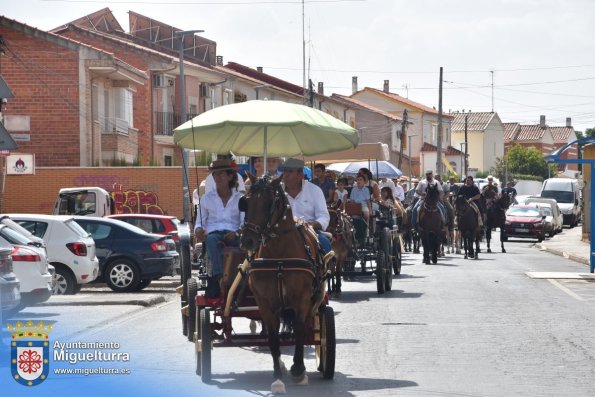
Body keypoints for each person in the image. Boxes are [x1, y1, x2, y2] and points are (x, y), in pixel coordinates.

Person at [194, 159, 245, 298]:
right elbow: (199, 222)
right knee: (212, 241)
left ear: (230, 176)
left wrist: (236, 233)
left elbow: (244, 223)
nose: (217, 177)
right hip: (214, 235)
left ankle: (244, 279)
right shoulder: (206, 199)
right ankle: (217, 279)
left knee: (246, 245)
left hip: (235, 235)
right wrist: (198, 230)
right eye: (215, 174)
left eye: (221, 174)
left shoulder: (241, 198)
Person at [281, 158, 332, 257]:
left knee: (325, 243)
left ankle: (326, 271)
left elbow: (324, 216)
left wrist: (311, 226)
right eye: (285, 171)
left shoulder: (315, 190)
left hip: (308, 231)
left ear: (300, 175)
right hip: (282, 233)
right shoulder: (277, 192)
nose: (285, 175)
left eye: (290, 171)